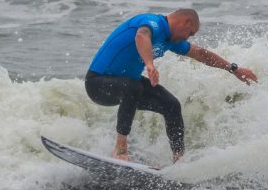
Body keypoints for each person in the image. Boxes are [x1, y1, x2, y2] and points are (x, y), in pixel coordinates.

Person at [84, 9, 258, 163]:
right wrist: (150, 64)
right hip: (98, 83)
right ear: (185, 21)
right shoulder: (153, 23)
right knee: (133, 86)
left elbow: (199, 53)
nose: (187, 37)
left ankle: (179, 158)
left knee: (171, 105)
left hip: (126, 86)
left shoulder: (170, 40)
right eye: (190, 32)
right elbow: (141, 36)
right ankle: (120, 149)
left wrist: (233, 69)